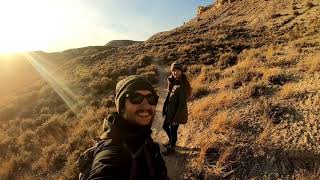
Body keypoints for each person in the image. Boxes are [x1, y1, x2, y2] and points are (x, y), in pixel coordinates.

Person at [87, 75, 168, 180]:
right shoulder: (112, 151)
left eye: (151, 98)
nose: (145, 105)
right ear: (121, 107)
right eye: (136, 97)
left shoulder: (142, 134)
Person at [162, 62, 191, 155]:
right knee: (165, 126)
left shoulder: (182, 85)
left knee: (173, 130)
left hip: (176, 112)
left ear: (181, 71)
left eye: (178, 70)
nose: (175, 72)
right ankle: (171, 141)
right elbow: (168, 95)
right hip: (169, 109)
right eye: (174, 70)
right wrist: (164, 108)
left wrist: (176, 118)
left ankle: (172, 149)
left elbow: (182, 104)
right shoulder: (171, 80)